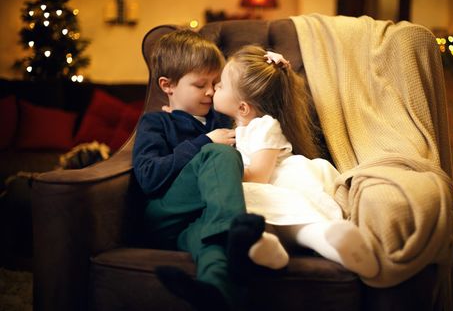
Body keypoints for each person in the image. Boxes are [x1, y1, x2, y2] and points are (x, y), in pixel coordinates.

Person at [132, 31, 285, 311]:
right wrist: (204, 141)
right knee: (219, 153)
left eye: (216, 82)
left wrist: (274, 71)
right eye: (200, 84)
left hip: (204, 221)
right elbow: (148, 177)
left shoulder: (224, 117)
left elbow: (258, 114)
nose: (211, 91)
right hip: (167, 215)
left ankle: (214, 294)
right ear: (168, 85)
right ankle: (236, 230)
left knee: (214, 247)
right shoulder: (156, 123)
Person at [212, 45, 380, 278]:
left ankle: (335, 242)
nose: (214, 88)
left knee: (296, 222)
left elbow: (259, 175)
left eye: (220, 85)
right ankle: (267, 246)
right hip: (268, 184)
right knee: (268, 220)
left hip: (278, 182)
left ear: (242, 107)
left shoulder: (263, 126)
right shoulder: (241, 126)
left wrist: (222, 171)